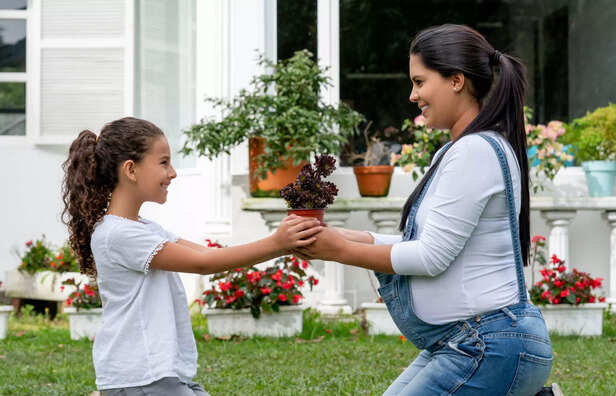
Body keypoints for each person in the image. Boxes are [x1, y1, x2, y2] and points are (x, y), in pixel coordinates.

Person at [295, 24, 552, 395]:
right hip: (469, 341)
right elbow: (427, 241)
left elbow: (431, 256)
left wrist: (340, 251)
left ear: (456, 81)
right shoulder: (461, 150)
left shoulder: (475, 151)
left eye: (420, 81)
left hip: (486, 345)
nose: (413, 95)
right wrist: (344, 236)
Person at [61, 117, 322, 395]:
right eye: (163, 162)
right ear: (131, 170)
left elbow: (208, 254)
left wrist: (282, 243)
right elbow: (202, 264)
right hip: (141, 378)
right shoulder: (119, 234)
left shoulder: (145, 228)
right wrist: (277, 243)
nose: (172, 173)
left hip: (160, 376)